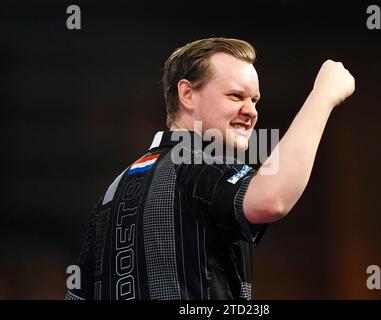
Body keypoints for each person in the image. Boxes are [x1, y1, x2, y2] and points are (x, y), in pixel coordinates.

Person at [65, 37, 354, 300]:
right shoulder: (196, 160)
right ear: (187, 94)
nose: (251, 111)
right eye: (235, 96)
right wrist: (322, 97)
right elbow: (271, 199)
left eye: (254, 100)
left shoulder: (114, 189)